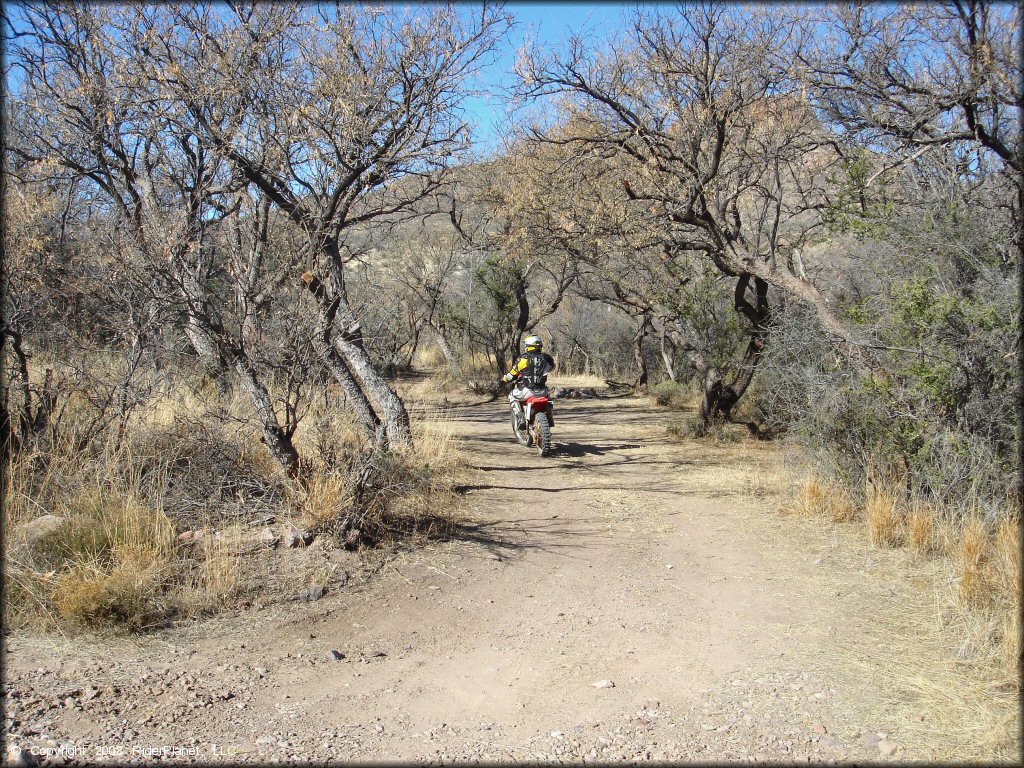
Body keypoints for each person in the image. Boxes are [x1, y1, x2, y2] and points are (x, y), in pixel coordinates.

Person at [501, 335, 555, 427]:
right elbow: (552, 368)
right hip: (543, 391)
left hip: (528, 391)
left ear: (528, 346)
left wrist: (505, 379)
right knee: (548, 400)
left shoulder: (523, 359)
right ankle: (549, 417)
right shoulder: (547, 358)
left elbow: (512, 375)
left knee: (512, 396)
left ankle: (520, 417)